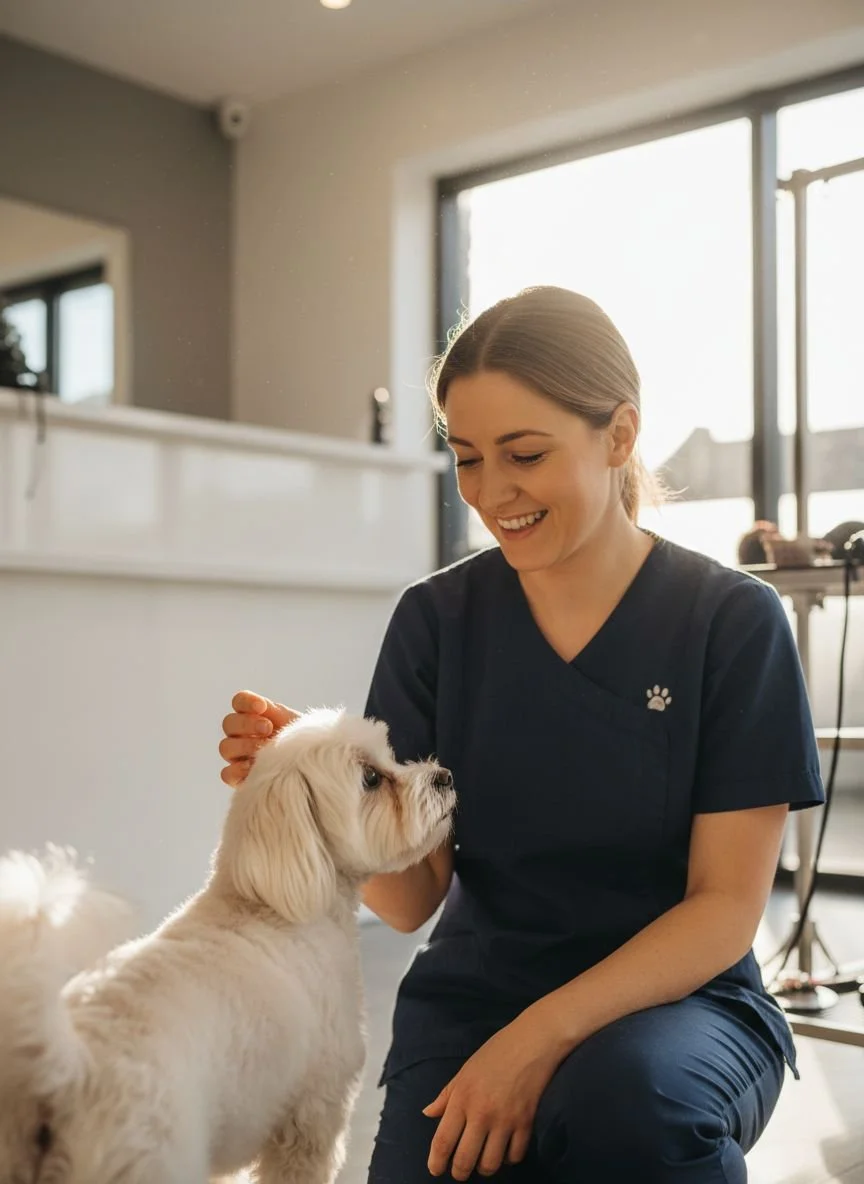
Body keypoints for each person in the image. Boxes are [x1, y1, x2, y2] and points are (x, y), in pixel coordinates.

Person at [220, 287, 824, 1184]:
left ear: (618, 437)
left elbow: (725, 907)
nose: (491, 493)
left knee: (629, 1107)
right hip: (478, 996)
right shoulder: (435, 621)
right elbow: (409, 899)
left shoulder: (733, 621)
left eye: (525, 454)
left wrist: (537, 1039)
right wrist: (316, 795)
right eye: (466, 459)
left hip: (685, 1003)